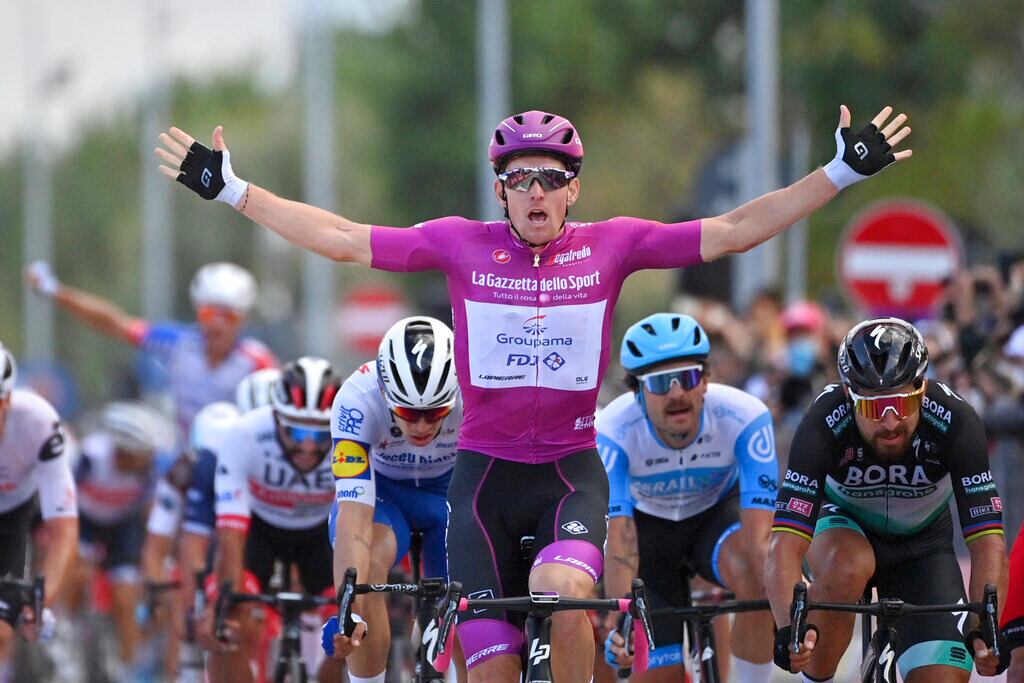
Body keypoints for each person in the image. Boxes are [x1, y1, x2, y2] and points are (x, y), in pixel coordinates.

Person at [156, 104, 912, 682]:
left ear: (574, 187)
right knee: (491, 665)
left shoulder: (615, 243)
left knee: (560, 588)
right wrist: (232, 190)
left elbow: (739, 228)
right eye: (521, 178)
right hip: (480, 482)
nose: (537, 190)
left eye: (551, 176)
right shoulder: (460, 243)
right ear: (501, 191)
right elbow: (346, 239)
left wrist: (838, 174)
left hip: (568, 473)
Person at [765, 318, 1009, 682]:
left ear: (922, 388)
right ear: (849, 395)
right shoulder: (823, 421)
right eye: (874, 407)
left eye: (902, 402)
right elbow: (784, 543)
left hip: (924, 548)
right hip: (842, 530)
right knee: (847, 564)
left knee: (944, 677)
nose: (891, 421)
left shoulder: (956, 421)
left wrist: (984, 625)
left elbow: (988, 541)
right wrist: (789, 628)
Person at [599, 313, 778, 681]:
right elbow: (619, 538)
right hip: (647, 538)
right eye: (662, 382)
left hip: (715, 524)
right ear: (638, 392)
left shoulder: (745, 417)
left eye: (689, 377)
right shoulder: (613, 431)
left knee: (759, 575)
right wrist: (620, 616)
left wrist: (783, 591)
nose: (677, 392)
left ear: (706, 380)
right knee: (657, 671)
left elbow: (761, 540)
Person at [321, 316, 462, 682]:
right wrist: (346, 609)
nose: (421, 427)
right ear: (385, 393)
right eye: (407, 413)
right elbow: (353, 521)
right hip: (385, 495)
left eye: (436, 413)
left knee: (467, 596)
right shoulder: (356, 399)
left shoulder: (476, 389)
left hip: (451, 491)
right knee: (368, 565)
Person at [203, 357, 343, 683]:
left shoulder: (349, 437)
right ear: (276, 418)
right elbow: (230, 528)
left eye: (320, 435)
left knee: (352, 621)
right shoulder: (245, 435)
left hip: (320, 533)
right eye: (296, 430)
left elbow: (357, 519)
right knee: (231, 620)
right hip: (259, 529)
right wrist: (226, 599)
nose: (308, 446)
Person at [25, 260, 277, 435]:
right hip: (188, 454)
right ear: (198, 312)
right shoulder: (178, 344)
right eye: (209, 313)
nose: (216, 326)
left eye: (228, 317)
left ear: (242, 319)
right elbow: (114, 323)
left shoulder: (258, 361)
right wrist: (55, 291)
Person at [67, 399, 175, 672]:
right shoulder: (90, 457)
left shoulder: (150, 469)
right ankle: (70, 633)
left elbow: (153, 516)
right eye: (143, 453)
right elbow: (62, 500)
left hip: (123, 526)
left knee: (126, 598)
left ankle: (129, 669)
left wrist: (155, 556)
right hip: (85, 521)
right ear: (123, 450)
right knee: (78, 572)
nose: (148, 459)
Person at [0, 342, 78, 665]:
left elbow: (64, 528)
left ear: (7, 400)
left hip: (12, 516)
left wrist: (41, 600)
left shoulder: (37, 421)